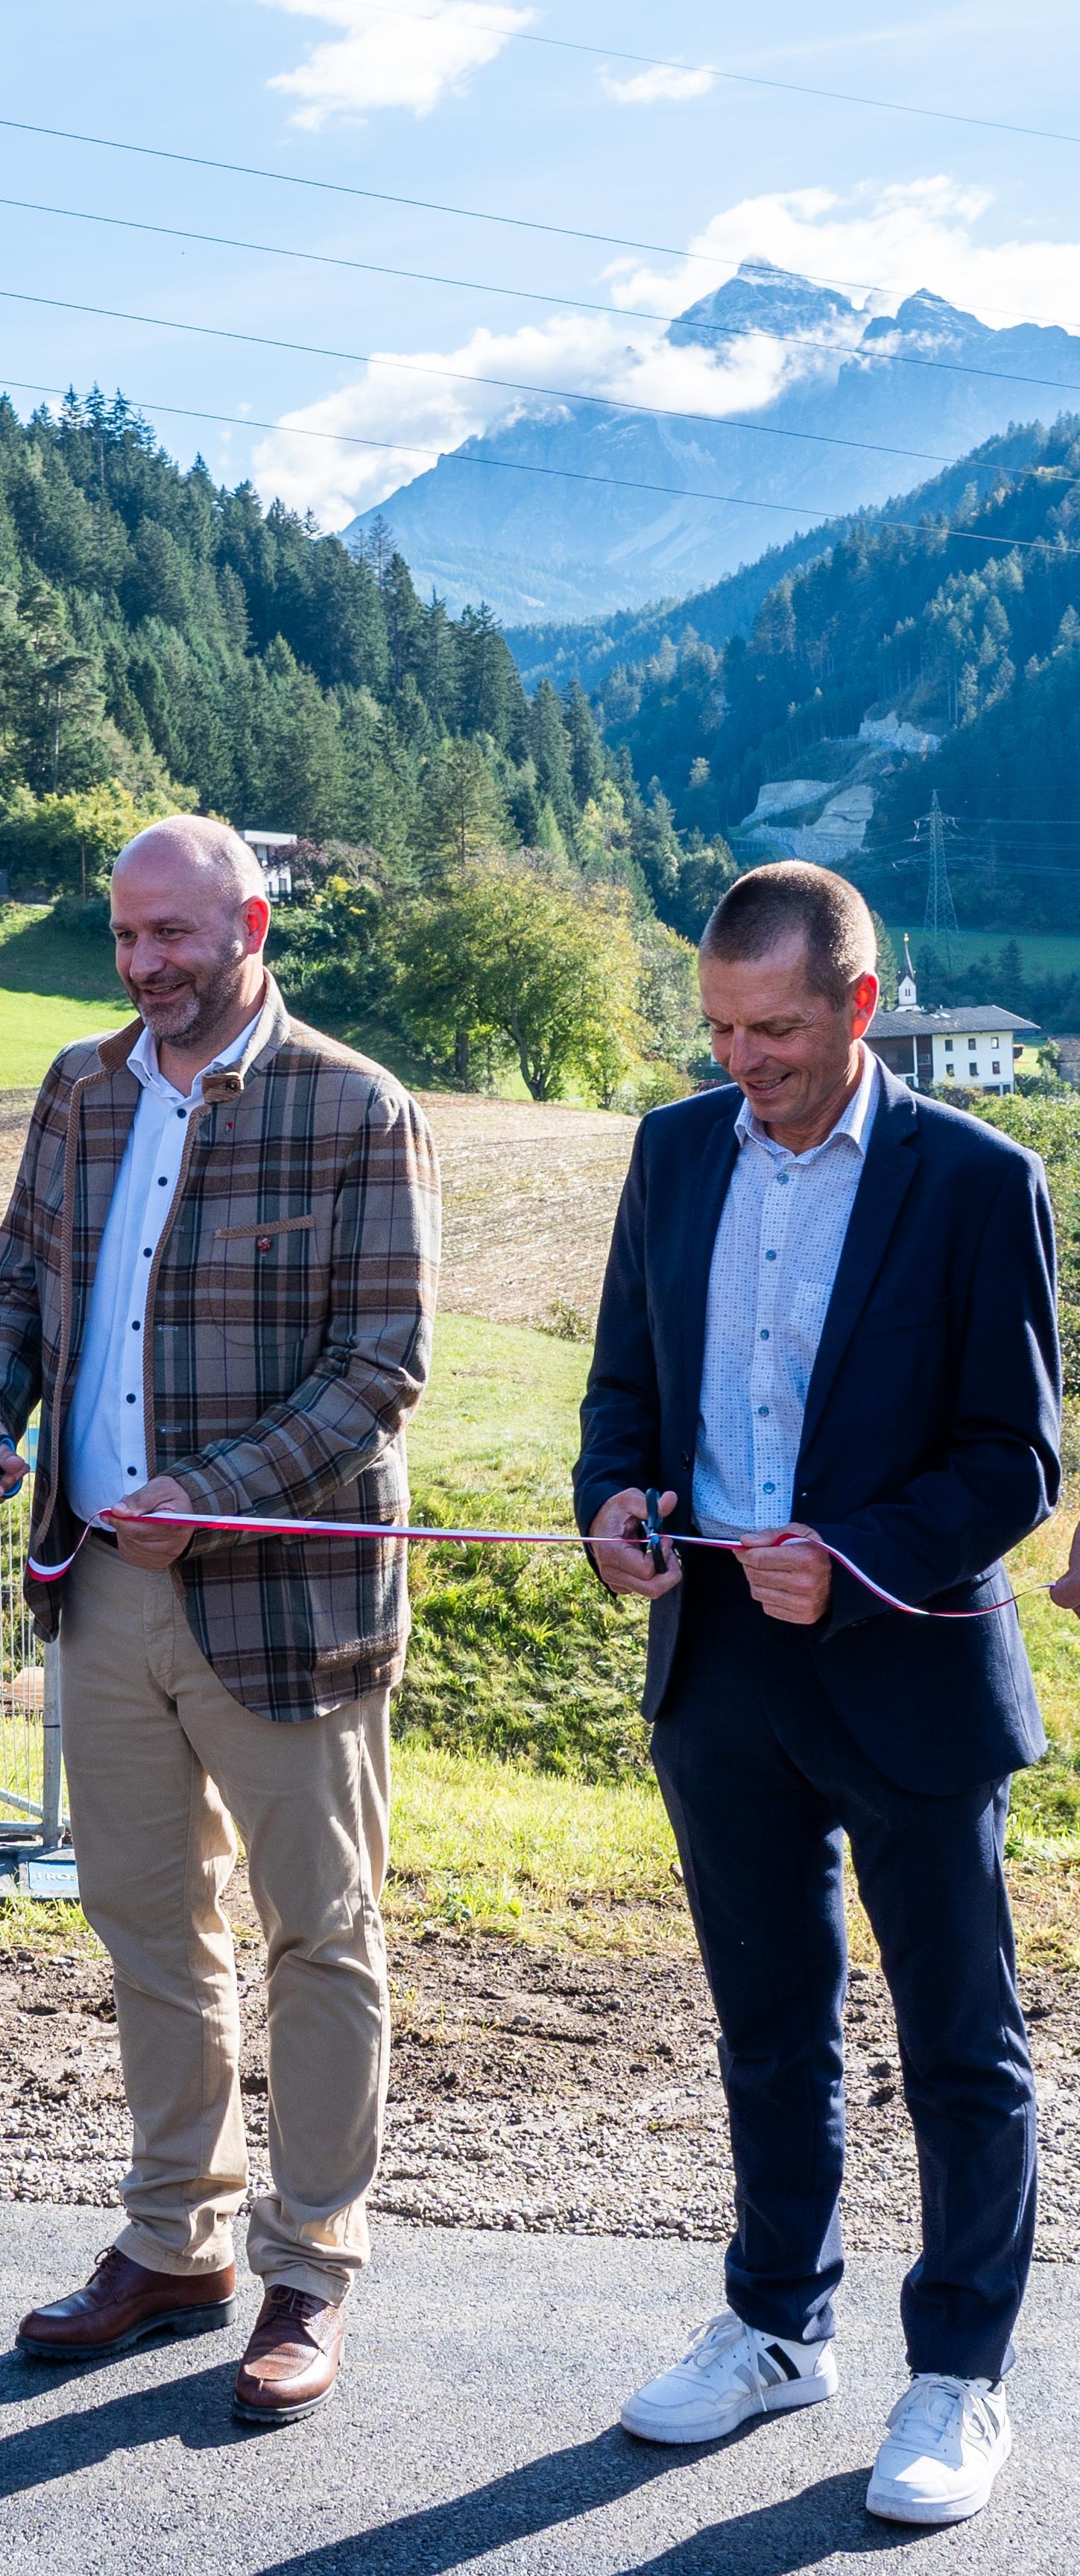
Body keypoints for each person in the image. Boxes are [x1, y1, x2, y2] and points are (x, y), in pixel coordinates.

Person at [576, 861, 1060, 2530]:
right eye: (718, 1029)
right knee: (767, 2023)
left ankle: (960, 2374)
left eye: (773, 1029)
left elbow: (1015, 1456)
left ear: (860, 1004)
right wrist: (612, 1506)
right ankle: (779, 2326)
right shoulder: (667, 1153)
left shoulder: (978, 1180)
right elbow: (621, 1388)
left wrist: (856, 1560)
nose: (742, 1062)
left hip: (907, 1668)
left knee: (958, 2042)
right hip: (714, 1664)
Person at [0, 817, 436, 2426]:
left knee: (319, 1935)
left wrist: (213, 1492)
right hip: (99, 1585)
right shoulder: (81, 1089)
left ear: (251, 925)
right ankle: (175, 2240)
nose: (144, 963)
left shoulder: (355, 1105)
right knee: (149, 1925)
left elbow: (378, 1369)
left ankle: (312, 2267)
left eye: (173, 934)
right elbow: (17, 1286)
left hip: (287, 1601)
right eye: (125, 934)